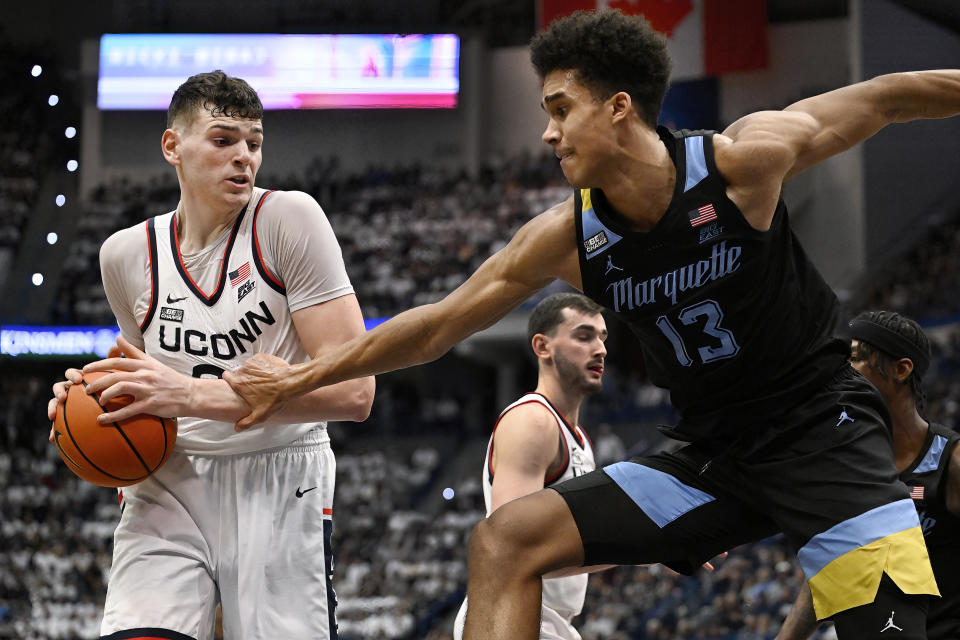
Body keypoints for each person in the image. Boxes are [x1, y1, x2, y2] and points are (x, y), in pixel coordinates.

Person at [231, 9, 956, 638]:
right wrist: (302, 375)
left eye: (559, 109)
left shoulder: (741, 163)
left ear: (617, 107)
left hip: (822, 436)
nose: (547, 133)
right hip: (710, 457)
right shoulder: (567, 240)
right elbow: (437, 326)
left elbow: (889, 97)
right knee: (505, 540)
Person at [46, 70, 375, 640]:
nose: (244, 156)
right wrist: (87, 400)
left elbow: (355, 393)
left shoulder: (288, 220)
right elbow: (137, 377)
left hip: (280, 472)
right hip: (169, 479)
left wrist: (195, 395)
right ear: (172, 146)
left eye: (254, 142)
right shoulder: (123, 255)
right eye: (223, 140)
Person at [777, 311, 960, 640]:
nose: (844, 372)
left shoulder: (951, 462)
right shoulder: (846, 465)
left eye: (856, 359)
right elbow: (827, 570)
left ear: (901, 370)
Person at [453, 292, 607, 640]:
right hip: (513, 616)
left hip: (549, 621)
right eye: (584, 337)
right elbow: (512, 552)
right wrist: (649, 548)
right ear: (542, 347)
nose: (600, 349)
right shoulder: (533, 422)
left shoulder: (578, 438)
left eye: (602, 337)